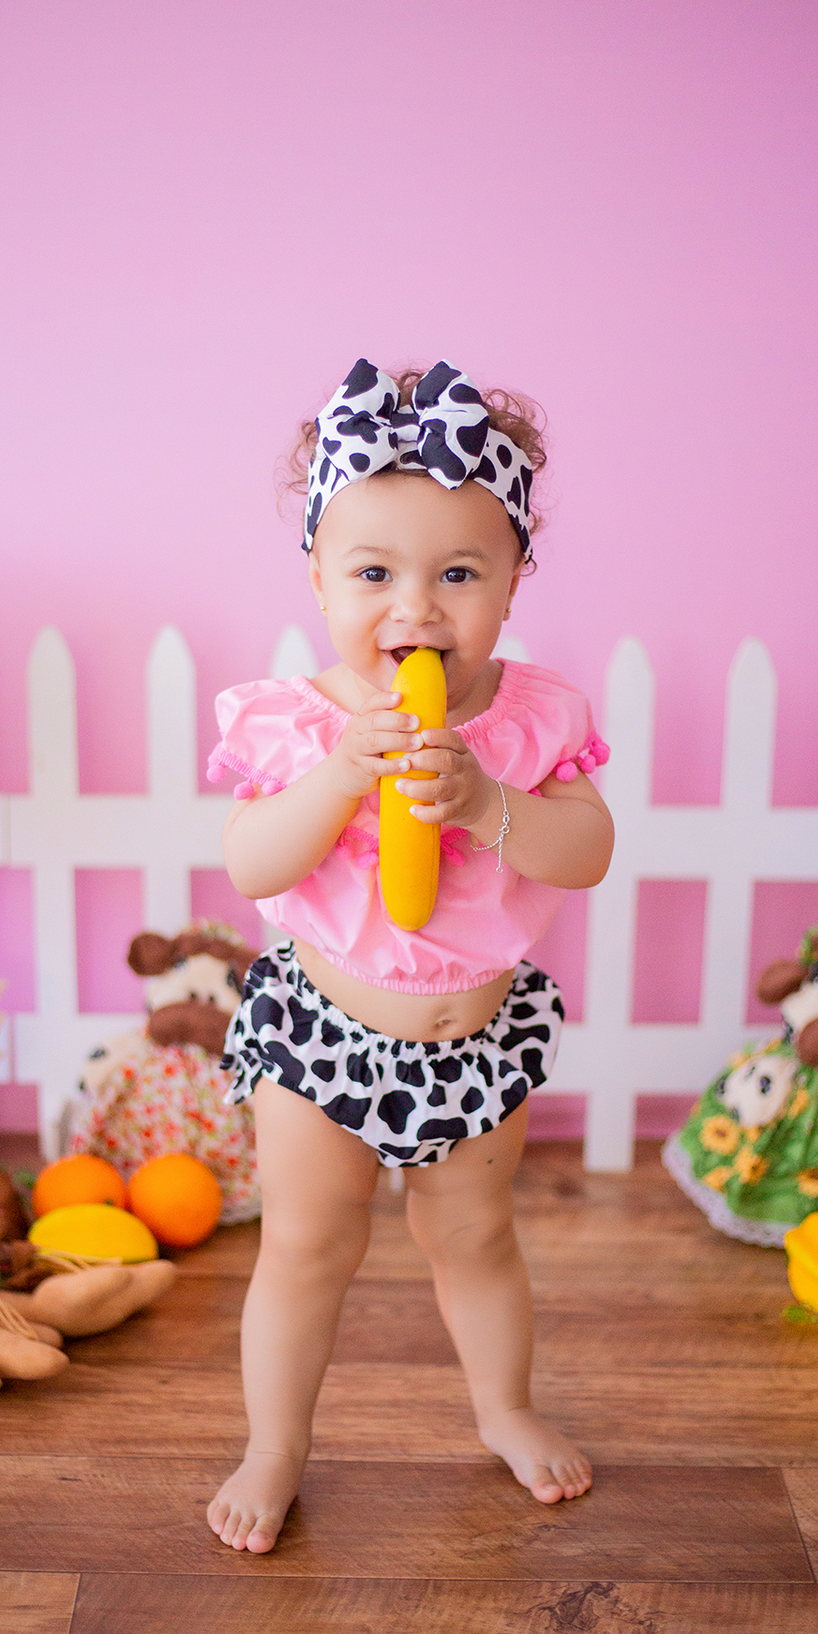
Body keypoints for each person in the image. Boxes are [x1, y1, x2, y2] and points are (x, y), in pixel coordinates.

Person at [205, 359, 614, 1552]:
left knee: (475, 1241)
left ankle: (506, 1406)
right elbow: (253, 866)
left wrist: (491, 801)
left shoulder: (530, 718)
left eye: (458, 574)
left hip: (474, 1048)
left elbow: (583, 852)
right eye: (373, 573)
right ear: (319, 575)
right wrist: (340, 776)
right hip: (322, 1042)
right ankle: (274, 1447)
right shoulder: (297, 717)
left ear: (515, 579)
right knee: (306, 1248)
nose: (415, 610)